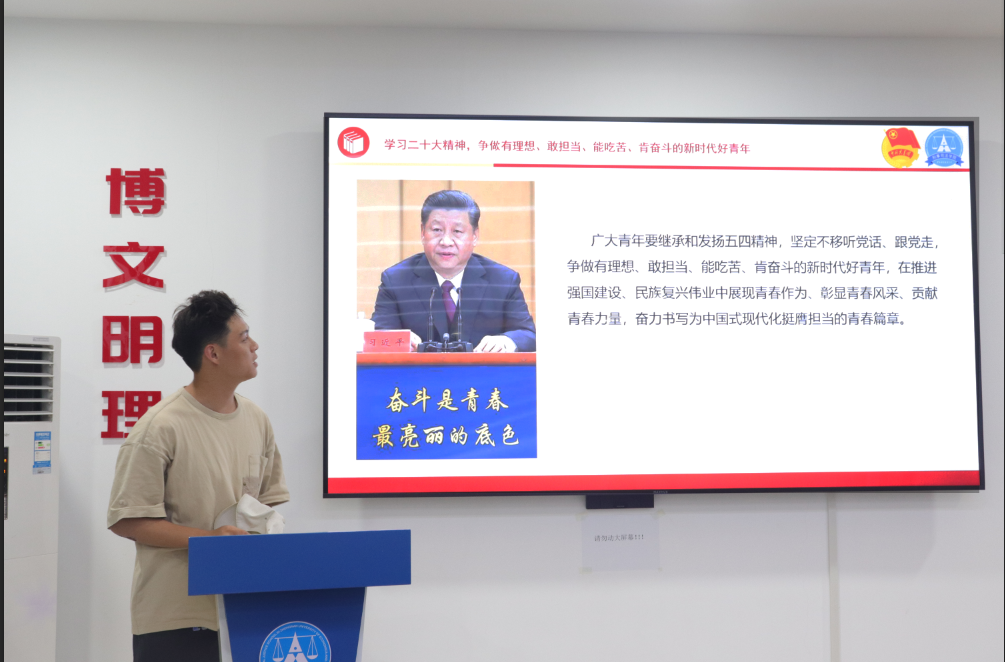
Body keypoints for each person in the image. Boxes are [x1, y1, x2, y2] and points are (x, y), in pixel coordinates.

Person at [107, 291, 288, 662]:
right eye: (243, 338)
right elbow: (127, 520)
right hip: (176, 618)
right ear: (213, 354)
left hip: (243, 610)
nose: (254, 346)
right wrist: (210, 541)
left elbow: (266, 503)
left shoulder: (257, 419)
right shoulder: (160, 427)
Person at [372, 189, 536, 352]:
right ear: (422, 233)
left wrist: (507, 341)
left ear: (474, 236)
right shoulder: (396, 280)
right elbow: (377, 336)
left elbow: (528, 334)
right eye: (437, 230)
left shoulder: (503, 281)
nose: (446, 241)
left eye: (457, 231)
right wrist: (398, 340)